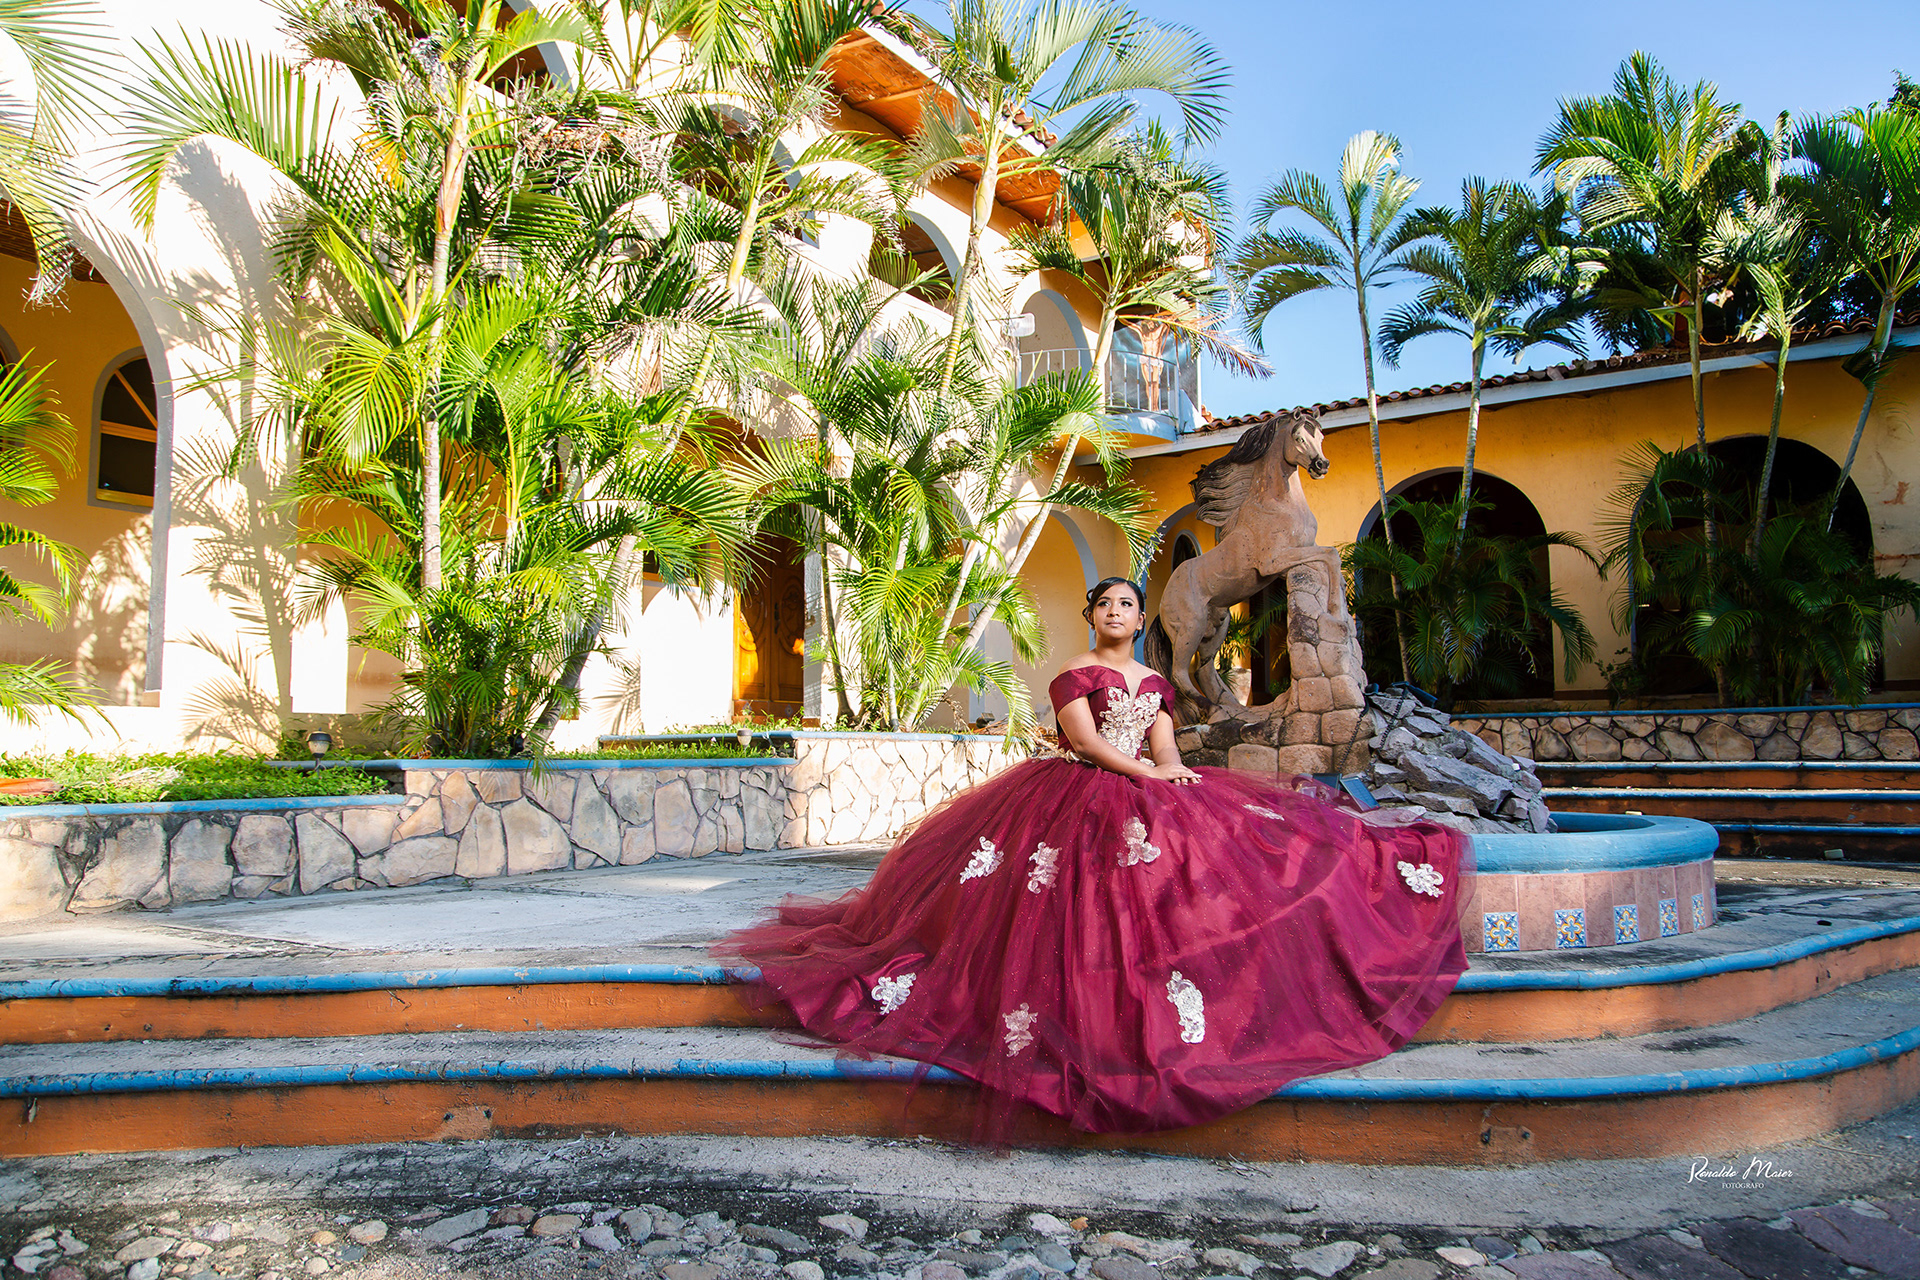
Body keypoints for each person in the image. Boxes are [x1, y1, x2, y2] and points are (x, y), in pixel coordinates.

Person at [717, 576, 1472, 1136]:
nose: (1116, 613)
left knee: (1216, 867)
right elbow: (1085, 741)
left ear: (1142, 620)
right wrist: (1145, 774)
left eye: (1127, 605)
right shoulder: (1073, 674)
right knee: (1057, 902)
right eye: (1105, 604)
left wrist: (1172, 775)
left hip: (1144, 783)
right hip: (1075, 792)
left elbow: (1165, 745)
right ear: (1092, 617)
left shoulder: (1156, 683)